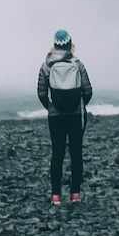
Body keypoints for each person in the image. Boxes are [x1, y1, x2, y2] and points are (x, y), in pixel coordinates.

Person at [35, 28, 93, 206]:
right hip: (75, 115)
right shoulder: (78, 64)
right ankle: (75, 194)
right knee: (76, 153)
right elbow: (88, 90)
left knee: (57, 154)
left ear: (54, 45)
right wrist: (79, 104)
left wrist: (51, 107)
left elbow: (41, 92)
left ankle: (56, 196)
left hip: (55, 117)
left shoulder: (46, 65)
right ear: (69, 44)